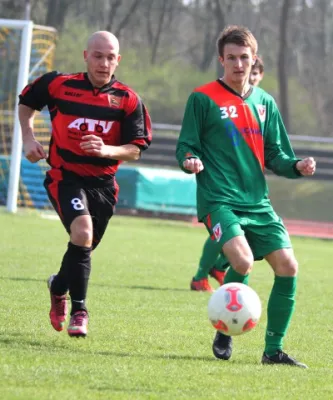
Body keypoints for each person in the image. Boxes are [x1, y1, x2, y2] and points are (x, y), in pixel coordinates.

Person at [176, 25, 315, 367]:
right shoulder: (203, 98)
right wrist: (189, 160)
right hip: (219, 199)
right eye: (231, 58)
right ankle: (225, 328)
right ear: (221, 60)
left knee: (288, 267)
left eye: (245, 58)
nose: (238, 64)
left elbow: (277, 156)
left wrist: (297, 166)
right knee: (243, 262)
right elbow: (185, 144)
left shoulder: (265, 102)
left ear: (255, 60)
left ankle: (273, 351)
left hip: (257, 201)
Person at [18, 31, 152, 338]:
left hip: (103, 185)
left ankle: (58, 285)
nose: (104, 63)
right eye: (97, 56)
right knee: (82, 232)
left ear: (118, 60)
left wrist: (107, 150)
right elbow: (26, 102)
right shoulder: (59, 85)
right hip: (65, 176)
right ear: (85, 56)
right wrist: (27, 137)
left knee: (83, 246)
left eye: (110, 57)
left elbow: (135, 148)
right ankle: (80, 310)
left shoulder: (128, 100)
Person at [190, 56, 265, 293]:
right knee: (223, 232)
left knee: (242, 236)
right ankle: (202, 275)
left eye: (254, 74)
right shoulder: (218, 102)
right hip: (222, 188)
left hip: (249, 190)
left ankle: (218, 267)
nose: (248, 75)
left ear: (259, 75)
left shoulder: (261, 106)